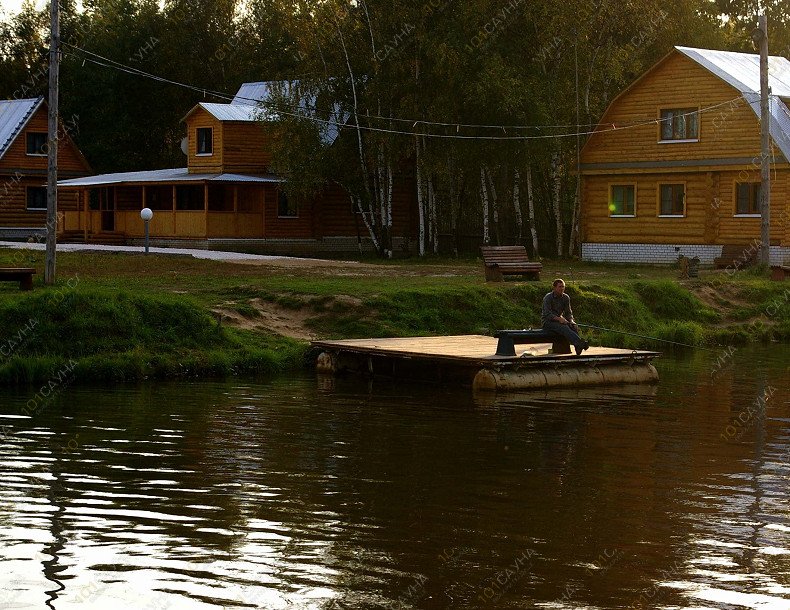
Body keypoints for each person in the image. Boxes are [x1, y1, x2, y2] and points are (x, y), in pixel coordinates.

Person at [541, 279, 589, 355]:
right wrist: (559, 319)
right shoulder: (548, 297)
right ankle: (579, 343)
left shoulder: (566, 297)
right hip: (547, 322)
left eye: (563, 286)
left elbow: (568, 313)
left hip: (559, 321)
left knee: (573, 327)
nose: (562, 288)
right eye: (560, 287)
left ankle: (578, 347)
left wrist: (571, 321)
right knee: (564, 327)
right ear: (554, 288)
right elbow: (547, 314)